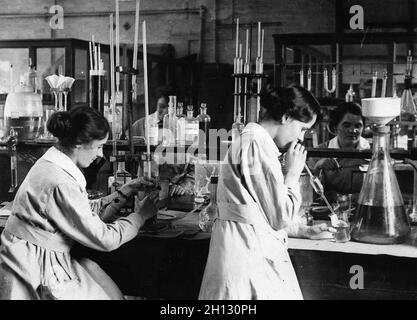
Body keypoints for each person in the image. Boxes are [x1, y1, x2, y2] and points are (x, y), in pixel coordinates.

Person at [0, 106, 159, 300]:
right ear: (78, 144)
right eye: (98, 146)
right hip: (33, 267)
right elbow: (104, 239)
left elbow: (81, 212)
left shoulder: (50, 165)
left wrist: (126, 190)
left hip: (27, 255)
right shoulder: (61, 182)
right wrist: (140, 216)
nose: (101, 154)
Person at [199, 86, 335, 300]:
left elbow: (259, 211)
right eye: (301, 129)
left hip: (244, 249)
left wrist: (302, 231)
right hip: (244, 255)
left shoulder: (256, 142)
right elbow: (279, 216)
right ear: (286, 116)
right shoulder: (256, 144)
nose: (300, 138)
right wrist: (292, 174)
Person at [309, 102, 370, 201]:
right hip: (329, 212)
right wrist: (318, 167)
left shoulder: (372, 153)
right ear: (335, 127)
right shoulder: (319, 152)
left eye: (358, 126)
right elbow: (308, 194)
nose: (353, 130)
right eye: (347, 125)